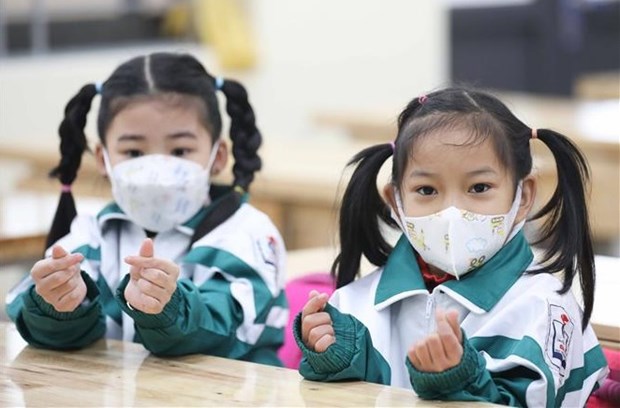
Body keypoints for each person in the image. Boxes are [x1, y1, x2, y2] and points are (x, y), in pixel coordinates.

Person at [294, 87, 609, 405]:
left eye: (479, 187)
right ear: (396, 201)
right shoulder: (355, 305)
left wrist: (461, 380)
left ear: (523, 195)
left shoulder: (542, 307)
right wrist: (339, 358)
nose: (452, 213)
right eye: (427, 190)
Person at [6, 52, 288, 366]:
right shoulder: (92, 234)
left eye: (180, 150)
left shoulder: (248, 233)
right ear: (103, 159)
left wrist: (170, 310)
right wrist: (58, 306)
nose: (156, 169)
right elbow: (44, 325)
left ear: (218, 155)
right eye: (134, 151)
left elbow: (230, 328)